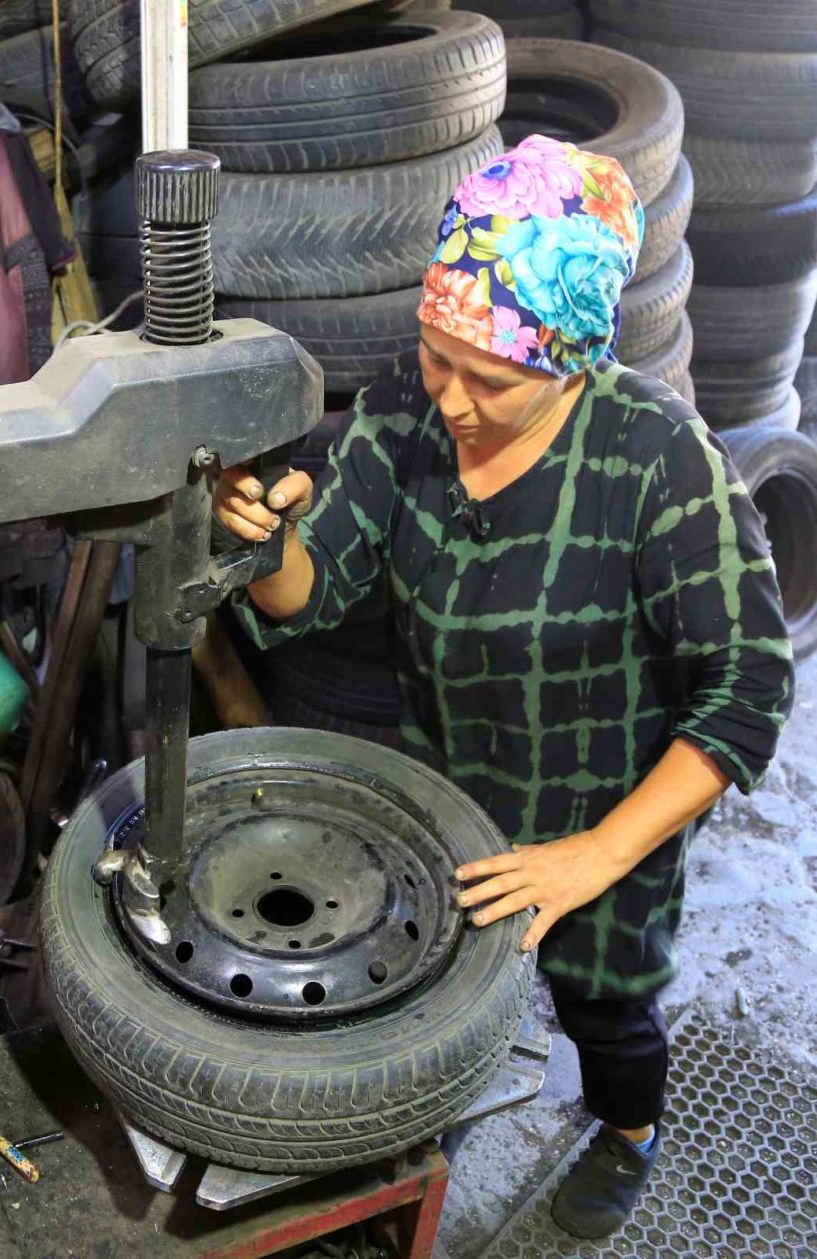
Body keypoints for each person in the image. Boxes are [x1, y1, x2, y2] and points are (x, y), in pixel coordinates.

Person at [214, 135, 794, 1239]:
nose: (455, 398)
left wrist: (591, 860)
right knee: (437, 995)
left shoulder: (660, 460)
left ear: (572, 359)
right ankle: (442, 1117)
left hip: (602, 818)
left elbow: (749, 686)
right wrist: (266, 535)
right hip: (451, 802)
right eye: (440, 357)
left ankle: (629, 1130)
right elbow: (312, 589)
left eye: (491, 378)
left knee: (606, 1005)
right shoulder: (406, 406)